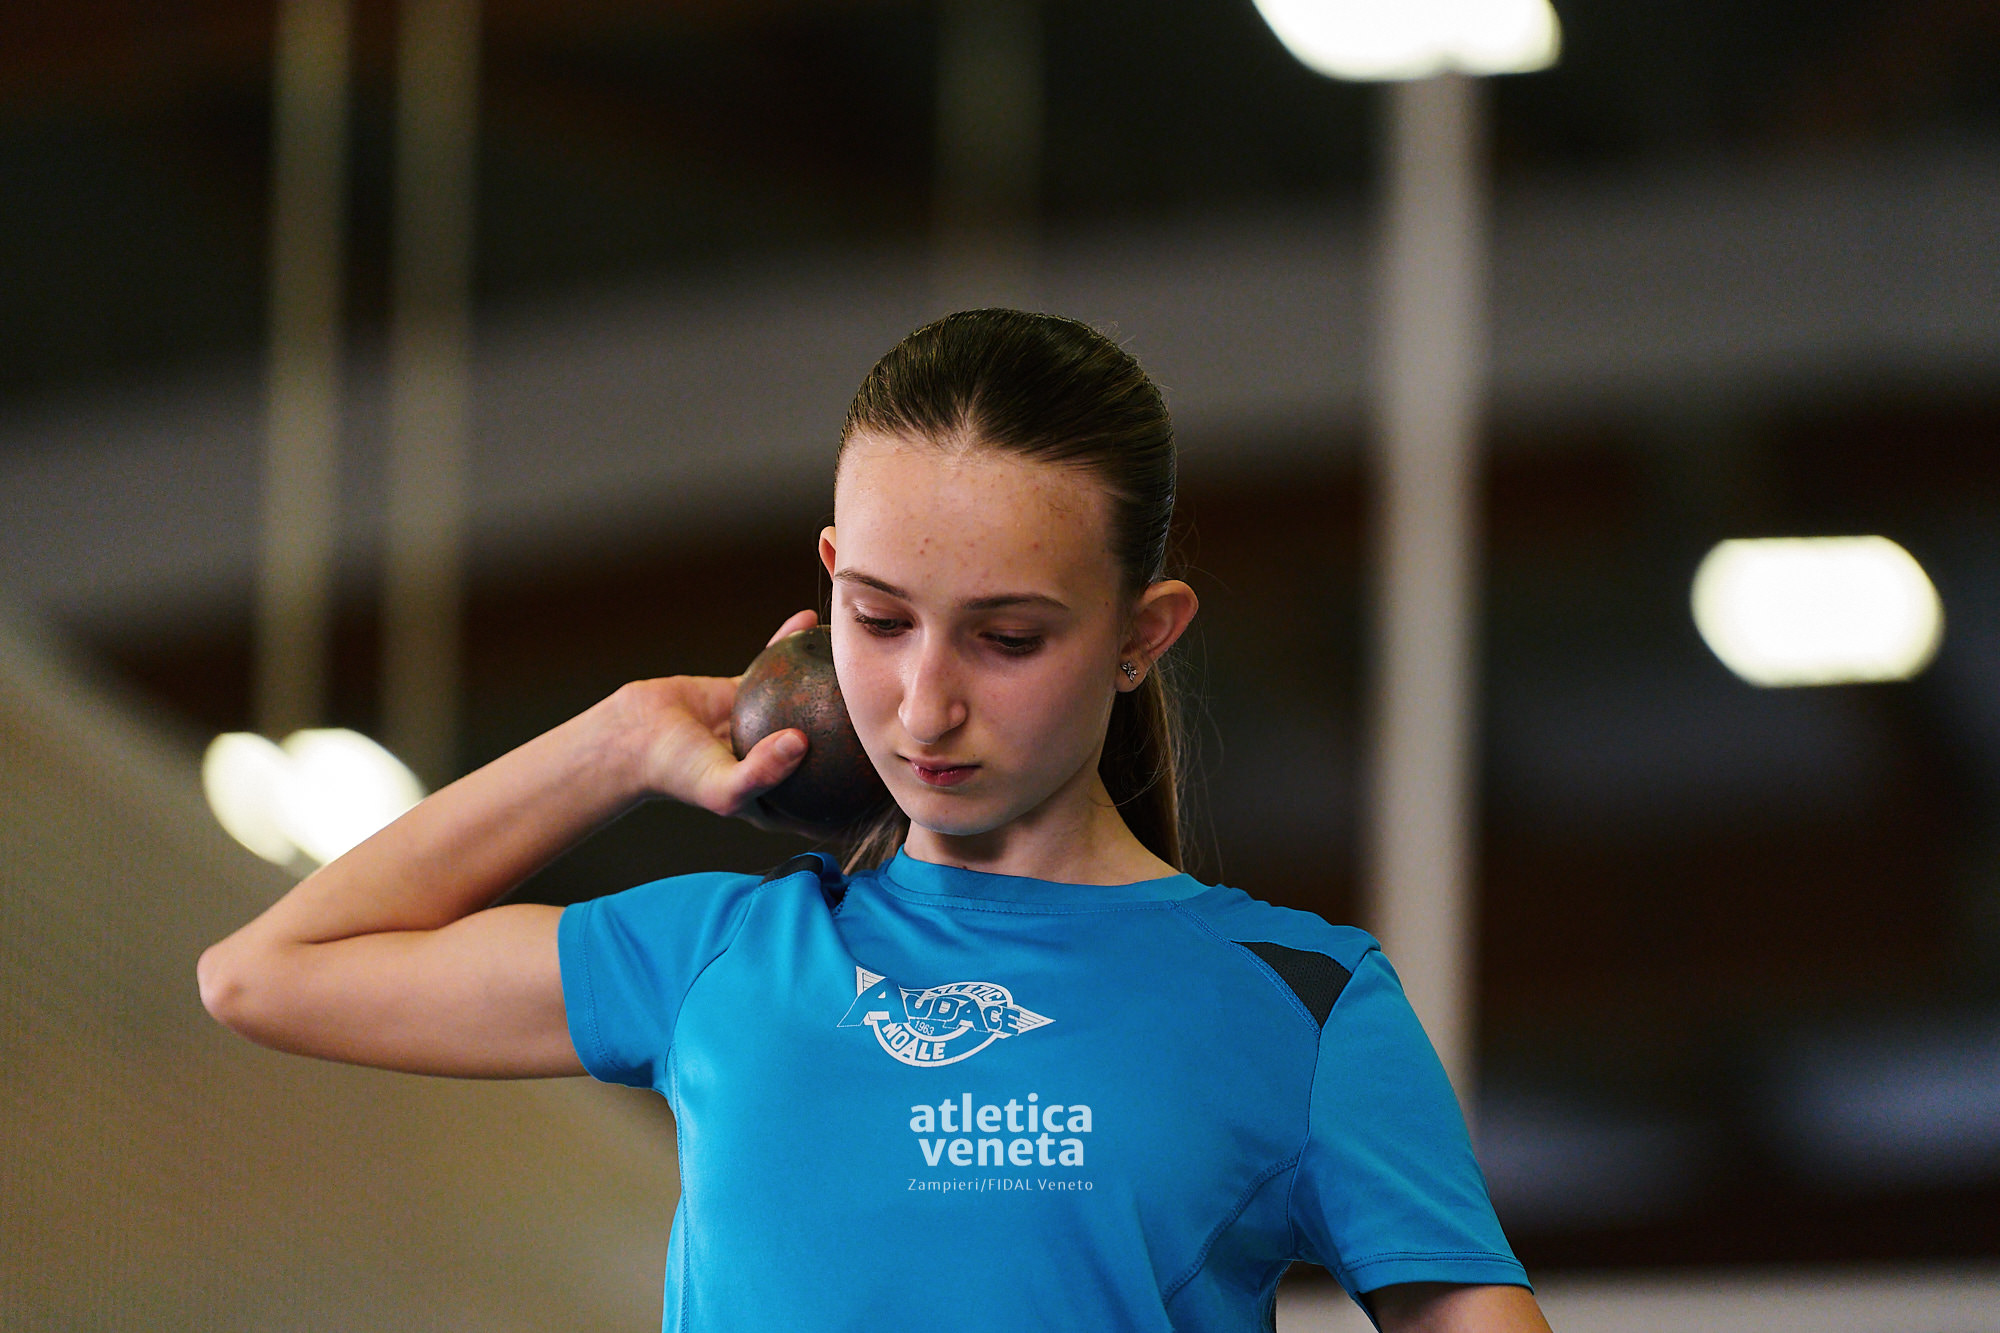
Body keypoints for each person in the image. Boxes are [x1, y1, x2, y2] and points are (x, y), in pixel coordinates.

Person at [199, 309, 1551, 1332]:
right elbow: (267, 973)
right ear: (828, 581)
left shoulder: (1300, 1004)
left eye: (1008, 639)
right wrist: (614, 740)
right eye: (881, 619)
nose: (924, 705)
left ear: (1143, 636)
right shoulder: (722, 958)